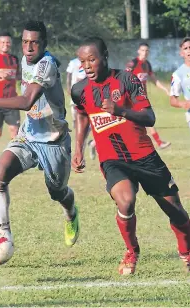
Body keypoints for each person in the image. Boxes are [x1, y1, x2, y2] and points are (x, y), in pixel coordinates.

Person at [71, 37, 190, 275]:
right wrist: (78, 148)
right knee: (125, 201)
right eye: (83, 61)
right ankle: (132, 251)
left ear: (105, 55)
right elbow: (83, 115)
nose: (86, 66)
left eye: (91, 59)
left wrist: (121, 111)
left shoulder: (127, 79)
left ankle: (186, 253)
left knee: (176, 212)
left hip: (145, 156)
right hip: (112, 159)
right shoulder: (79, 90)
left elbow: (149, 117)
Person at [0, 20, 79, 248]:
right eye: (25, 42)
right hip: (28, 136)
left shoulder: (46, 64)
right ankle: (4, 234)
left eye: (34, 43)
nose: (28, 47)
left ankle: (71, 213)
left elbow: (28, 101)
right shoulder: (25, 61)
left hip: (54, 142)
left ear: (44, 44)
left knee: (57, 193)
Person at [126, 42, 171, 149]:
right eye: (142, 50)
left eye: (147, 51)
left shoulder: (147, 65)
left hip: (142, 98)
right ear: (138, 51)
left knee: (143, 120)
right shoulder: (133, 63)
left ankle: (93, 143)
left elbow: (155, 80)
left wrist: (165, 89)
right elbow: (124, 78)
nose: (144, 53)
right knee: (144, 120)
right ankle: (159, 143)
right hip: (132, 97)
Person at [66, 57, 97, 159]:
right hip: (77, 99)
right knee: (80, 127)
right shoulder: (74, 62)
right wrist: (68, 89)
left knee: (95, 126)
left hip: (92, 99)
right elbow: (69, 75)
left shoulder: (95, 62)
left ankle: (92, 144)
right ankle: (80, 153)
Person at [170, 37, 190, 130]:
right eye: (185, 48)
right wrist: (183, 104)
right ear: (181, 53)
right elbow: (173, 100)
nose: (189, 50)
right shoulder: (178, 74)